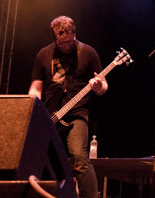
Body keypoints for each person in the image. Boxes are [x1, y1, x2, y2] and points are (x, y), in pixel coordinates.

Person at [29, 16, 107, 198]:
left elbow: (103, 86)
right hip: (49, 116)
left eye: (69, 42)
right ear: (55, 37)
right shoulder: (43, 55)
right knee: (43, 160)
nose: (66, 46)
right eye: (61, 42)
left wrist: (99, 87)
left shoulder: (87, 52)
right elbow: (36, 88)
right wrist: (32, 111)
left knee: (79, 157)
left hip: (78, 113)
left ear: (74, 33)